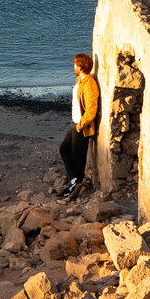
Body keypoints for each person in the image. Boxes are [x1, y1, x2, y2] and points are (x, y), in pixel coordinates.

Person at [61, 52, 99, 194]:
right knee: (64, 149)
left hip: (81, 127)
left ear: (80, 66)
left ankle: (75, 187)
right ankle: (74, 182)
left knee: (78, 159)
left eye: (75, 64)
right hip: (74, 122)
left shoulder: (90, 84)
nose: (73, 66)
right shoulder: (80, 81)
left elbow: (91, 110)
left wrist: (80, 125)